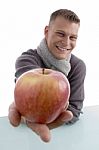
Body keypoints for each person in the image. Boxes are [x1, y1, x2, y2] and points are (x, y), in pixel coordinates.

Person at [8, 9, 86, 142]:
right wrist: (33, 115)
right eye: (61, 34)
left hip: (67, 136)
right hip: (26, 135)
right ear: (46, 31)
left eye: (73, 37)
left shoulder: (77, 66)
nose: (66, 43)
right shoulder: (27, 59)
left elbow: (74, 112)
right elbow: (29, 94)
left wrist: (44, 115)